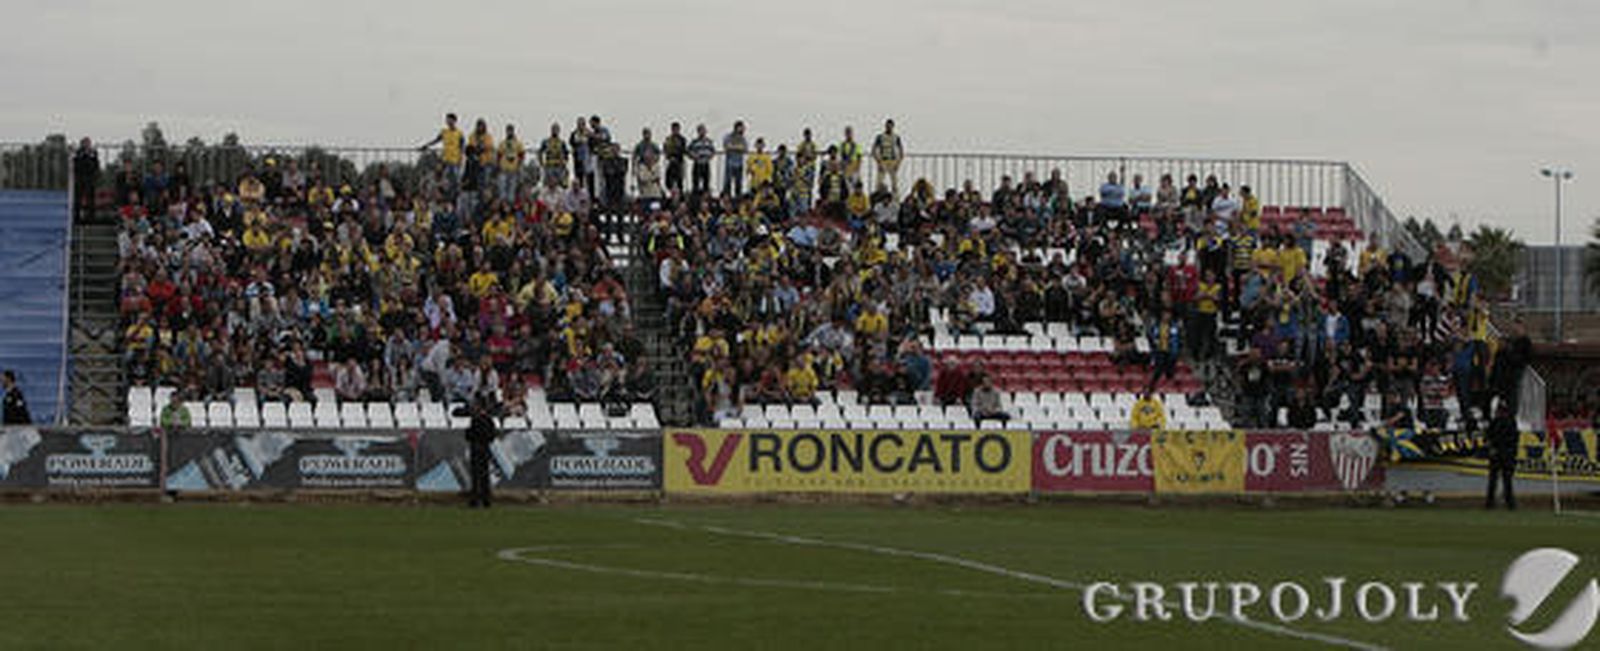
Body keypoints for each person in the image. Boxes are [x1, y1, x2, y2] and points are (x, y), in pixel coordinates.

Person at [463, 393, 499, 509]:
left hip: (476, 448)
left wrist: (472, 436)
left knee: (475, 476)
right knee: (484, 476)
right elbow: (493, 435)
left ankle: (475, 500)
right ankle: (486, 500)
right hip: (485, 448)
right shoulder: (489, 421)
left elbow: (468, 435)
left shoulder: (475, 420)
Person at [417, 113, 464, 194]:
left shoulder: (459, 133)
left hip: (454, 160)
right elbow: (436, 140)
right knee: (439, 173)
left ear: (454, 121)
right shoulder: (444, 132)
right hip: (445, 158)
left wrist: (461, 158)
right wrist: (426, 145)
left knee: (454, 178)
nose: (448, 121)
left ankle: (455, 192)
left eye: (450, 120)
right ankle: (440, 190)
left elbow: (462, 147)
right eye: (447, 120)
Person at [1485, 399, 1517, 510]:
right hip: (1501, 454)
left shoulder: (1507, 422)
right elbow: (1489, 437)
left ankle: (1507, 502)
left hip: (1503, 454)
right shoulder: (1498, 422)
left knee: (1504, 480)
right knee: (1497, 480)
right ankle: (1493, 502)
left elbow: (1513, 439)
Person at [872, 119, 904, 195]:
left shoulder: (896, 137)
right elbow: (873, 150)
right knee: (879, 182)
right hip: (883, 160)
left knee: (894, 183)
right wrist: (878, 162)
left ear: (893, 127)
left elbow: (901, 151)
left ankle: (896, 199)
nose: (889, 128)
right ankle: (878, 198)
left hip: (893, 161)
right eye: (887, 126)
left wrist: (898, 163)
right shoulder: (880, 137)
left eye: (890, 126)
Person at [72, 137, 99, 223]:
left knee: (90, 200)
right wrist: (83, 155)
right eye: (85, 143)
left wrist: (95, 175)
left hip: (90, 179)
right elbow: (75, 164)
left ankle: (91, 218)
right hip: (80, 178)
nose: (87, 145)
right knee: (78, 199)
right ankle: (76, 218)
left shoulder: (93, 153)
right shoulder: (78, 152)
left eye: (88, 143)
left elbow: (96, 165)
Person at [721, 121, 748, 197]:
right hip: (730, 163)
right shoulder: (728, 136)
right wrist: (738, 147)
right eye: (741, 128)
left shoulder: (743, 138)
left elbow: (745, 149)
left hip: (739, 164)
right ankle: (727, 198)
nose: (743, 130)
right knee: (727, 183)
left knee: (738, 183)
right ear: (737, 128)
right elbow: (727, 146)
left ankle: (738, 198)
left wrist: (734, 147)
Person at [688, 124, 715, 197]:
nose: (702, 132)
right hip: (697, 164)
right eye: (700, 131)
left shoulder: (709, 141)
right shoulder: (694, 142)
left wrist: (709, 156)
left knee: (706, 183)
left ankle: (705, 198)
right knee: (696, 183)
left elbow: (713, 151)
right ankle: (695, 198)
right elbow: (688, 151)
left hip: (706, 164)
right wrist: (694, 156)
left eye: (703, 130)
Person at [663, 122, 687, 195]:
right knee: (668, 181)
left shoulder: (682, 139)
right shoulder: (668, 139)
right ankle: (672, 195)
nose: (675, 130)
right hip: (671, 162)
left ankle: (680, 197)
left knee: (680, 181)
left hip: (679, 162)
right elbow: (665, 149)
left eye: (677, 129)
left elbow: (683, 150)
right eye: (674, 129)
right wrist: (669, 157)